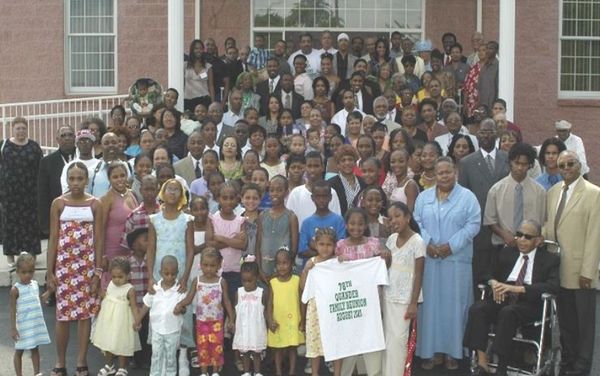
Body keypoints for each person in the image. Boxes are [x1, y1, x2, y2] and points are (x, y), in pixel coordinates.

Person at [464, 220, 560, 376]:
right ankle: (482, 363)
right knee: (478, 308)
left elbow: (551, 287)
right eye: (519, 235)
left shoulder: (549, 259)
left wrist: (517, 288)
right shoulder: (506, 252)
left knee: (508, 312)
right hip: (504, 296)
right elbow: (485, 273)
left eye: (527, 237)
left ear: (538, 240)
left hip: (530, 301)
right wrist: (493, 283)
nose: (521, 239)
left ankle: (502, 367)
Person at [414, 157, 481, 370]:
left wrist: (450, 246)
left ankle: (453, 352)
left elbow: (473, 225)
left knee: (455, 307)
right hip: (430, 261)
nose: (444, 176)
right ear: (434, 174)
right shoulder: (423, 197)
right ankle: (431, 351)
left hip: (455, 261)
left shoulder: (468, 198)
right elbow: (417, 222)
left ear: (455, 173)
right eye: (440, 172)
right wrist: (429, 244)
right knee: (430, 307)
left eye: (448, 172)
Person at [543, 151, 600, 376]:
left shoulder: (594, 193)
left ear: (579, 166)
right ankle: (568, 363)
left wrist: (588, 271)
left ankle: (582, 367)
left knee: (584, 325)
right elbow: (550, 227)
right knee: (565, 323)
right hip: (558, 270)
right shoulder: (554, 191)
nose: (566, 168)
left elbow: (595, 235)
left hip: (581, 272)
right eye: (561, 165)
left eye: (570, 164)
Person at [46, 162, 103, 376]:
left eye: (80, 179)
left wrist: (97, 272)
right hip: (64, 268)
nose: (76, 183)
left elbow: (98, 240)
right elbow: (54, 238)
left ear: (86, 180)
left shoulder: (95, 204)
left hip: (86, 269)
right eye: (72, 179)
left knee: (84, 316)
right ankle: (60, 362)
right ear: (67, 180)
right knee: (63, 315)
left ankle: (81, 360)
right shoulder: (58, 204)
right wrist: (50, 271)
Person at [459, 118, 510, 292]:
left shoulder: (508, 159)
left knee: (503, 277)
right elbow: (463, 198)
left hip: (504, 229)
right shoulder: (466, 162)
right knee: (479, 278)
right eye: (482, 132)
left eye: (490, 131)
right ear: (477, 135)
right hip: (478, 230)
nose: (486, 135)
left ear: (497, 134)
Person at [337, 208, 389, 376]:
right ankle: (348, 371)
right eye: (352, 223)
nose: (356, 227)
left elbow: (384, 265)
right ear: (346, 225)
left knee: (371, 333)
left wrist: (385, 256)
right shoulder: (341, 246)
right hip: (351, 302)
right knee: (350, 335)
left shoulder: (374, 243)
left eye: (360, 224)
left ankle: (373, 371)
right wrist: (339, 261)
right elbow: (335, 272)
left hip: (371, 301)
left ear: (366, 225)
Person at [174, 249, 235, 376]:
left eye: (212, 265)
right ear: (200, 265)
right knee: (203, 347)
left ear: (219, 265)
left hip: (217, 321)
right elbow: (189, 298)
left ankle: (215, 372)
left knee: (217, 347)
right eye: (205, 265)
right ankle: (203, 372)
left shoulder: (221, 282)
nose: (208, 269)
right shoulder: (197, 281)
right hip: (201, 321)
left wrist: (231, 319)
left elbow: (227, 301)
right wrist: (180, 304)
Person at [383, 202, 425, 376]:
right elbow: (387, 266)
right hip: (388, 295)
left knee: (399, 341)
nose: (394, 221)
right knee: (388, 340)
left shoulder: (418, 241)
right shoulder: (391, 239)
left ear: (408, 217)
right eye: (390, 218)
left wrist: (413, 303)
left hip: (406, 299)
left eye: (397, 216)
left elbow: (419, 274)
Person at [484, 143, 546, 255]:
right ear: (510, 162)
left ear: (530, 165)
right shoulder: (496, 190)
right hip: (504, 246)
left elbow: (544, 220)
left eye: (524, 164)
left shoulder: (540, 191)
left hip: (532, 248)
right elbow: (490, 221)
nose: (520, 168)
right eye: (517, 163)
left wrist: (537, 238)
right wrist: (504, 235)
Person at [300, 227, 343, 376]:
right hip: (315, 309)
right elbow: (302, 287)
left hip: (333, 308)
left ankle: (337, 373)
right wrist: (306, 270)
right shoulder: (312, 262)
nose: (325, 248)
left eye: (329, 245)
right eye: (322, 244)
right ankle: (315, 373)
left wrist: (344, 264)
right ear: (316, 245)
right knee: (314, 342)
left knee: (336, 341)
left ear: (335, 246)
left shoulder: (338, 262)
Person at [0, 117, 43, 264]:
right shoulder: (4, 145)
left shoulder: (34, 147)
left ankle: (32, 254)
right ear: (12, 129)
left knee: (30, 222)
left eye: (23, 128)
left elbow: (40, 168)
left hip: (29, 192)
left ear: (27, 129)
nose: (21, 131)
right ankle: (11, 255)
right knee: (10, 222)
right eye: (18, 128)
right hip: (9, 193)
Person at [137, 256, 187, 376]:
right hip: (156, 329)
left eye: (173, 274)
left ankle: (171, 373)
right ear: (160, 272)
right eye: (166, 273)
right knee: (156, 355)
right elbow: (146, 305)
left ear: (177, 273)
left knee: (170, 357)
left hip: (172, 330)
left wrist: (180, 308)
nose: (170, 277)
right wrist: (137, 320)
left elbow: (184, 308)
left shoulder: (180, 290)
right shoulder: (154, 289)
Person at [92, 257, 141, 376]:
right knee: (107, 343)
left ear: (128, 275)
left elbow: (134, 307)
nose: (116, 280)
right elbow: (106, 296)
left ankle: (122, 367)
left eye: (120, 277)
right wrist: (97, 289)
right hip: (108, 320)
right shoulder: (110, 284)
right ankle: (109, 365)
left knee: (121, 344)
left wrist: (137, 320)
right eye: (114, 277)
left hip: (122, 322)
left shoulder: (130, 289)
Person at [10, 252, 51, 376]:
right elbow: (12, 310)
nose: (27, 275)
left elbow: (38, 300)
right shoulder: (15, 290)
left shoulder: (34, 285)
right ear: (17, 272)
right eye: (24, 272)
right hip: (22, 326)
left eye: (30, 271)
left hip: (34, 324)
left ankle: (37, 373)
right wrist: (13, 328)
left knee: (35, 348)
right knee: (19, 351)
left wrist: (49, 292)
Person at [266, 248, 304, 375]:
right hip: (278, 321)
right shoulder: (273, 282)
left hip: (293, 320)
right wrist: (270, 320)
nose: (281, 266)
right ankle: (278, 372)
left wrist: (302, 320)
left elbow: (301, 302)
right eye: (278, 263)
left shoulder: (297, 280)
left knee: (292, 347)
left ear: (291, 263)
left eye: (285, 263)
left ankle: (292, 371)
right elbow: (269, 304)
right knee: (278, 348)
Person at [100, 162, 139, 288]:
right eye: (115, 177)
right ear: (109, 179)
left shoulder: (132, 195)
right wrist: (102, 256)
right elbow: (100, 230)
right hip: (112, 252)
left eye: (122, 175)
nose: (120, 180)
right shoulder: (106, 199)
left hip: (131, 251)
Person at [206, 182, 247, 297]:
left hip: (235, 271)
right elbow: (210, 245)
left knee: (233, 304)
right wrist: (233, 239)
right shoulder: (213, 219)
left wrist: (221, 238)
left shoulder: (240, 221)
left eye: (231, 198)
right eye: (224, 198)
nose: (228, 201)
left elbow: (243, 245)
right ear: (218, 199)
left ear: (237, 199)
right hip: (215, 272)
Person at [232, 256, 268, 376]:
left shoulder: (261, 293)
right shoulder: (239, 293)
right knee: (245, 353)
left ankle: (257, 372)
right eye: (244, 281)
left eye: (250, 281)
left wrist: (270, 322)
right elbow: (234, 311)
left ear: (256, 278)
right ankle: (247, 372)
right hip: (243, 329)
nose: (246, 284)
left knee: (256, 353)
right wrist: (231, 321)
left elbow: (265, 311)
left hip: (256, 329)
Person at [298, 179, 346, 268]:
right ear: (312, 198)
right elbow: (302, 251)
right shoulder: (306, 223)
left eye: (324, 196)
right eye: (318, 196)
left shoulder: (338, 220)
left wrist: (313, 246)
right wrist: (327, 252)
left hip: (334, 268)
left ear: (330, 197)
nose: (321, 200)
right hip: (312, 269)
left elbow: (341, 247)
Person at [38, 125, 76, 237]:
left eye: (70, 135)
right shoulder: (47, 162)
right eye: (63, 135)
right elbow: (43, 193)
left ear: (75, 137)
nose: (67, 138)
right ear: (57, 140)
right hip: (58, 215)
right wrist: (45, 223)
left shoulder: (82, 158)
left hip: (82, 213)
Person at [257, 176, 298, 277]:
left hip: (284, 272)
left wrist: (284, 268)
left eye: (279, 190)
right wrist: (259, 269)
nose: (275, 193)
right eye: (272, 190)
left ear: (286, 192)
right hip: (264, 269)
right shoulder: (262, 215)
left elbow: (294, 248)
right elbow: (258, 244)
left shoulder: (291, 217)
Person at [287, 152, 342, 227]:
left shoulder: (331, 192)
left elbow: (337, 222)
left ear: (322, 167)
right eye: (309, 166)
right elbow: (289, 221)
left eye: (316, 166)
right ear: (304, 167)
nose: (312, 170)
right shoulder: (296, 193)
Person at [125, 226, 151, 369]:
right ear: (134, 245)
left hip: (147, 306)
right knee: (133, 331)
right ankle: (133, 357)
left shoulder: (151, 260)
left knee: (146, 331)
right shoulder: (128, 263)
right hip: (133, 306)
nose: (149, 243)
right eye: (145, 240)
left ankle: (146, 358)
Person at [60, 129, 99, 193]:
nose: (84, 143)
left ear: (92, 143)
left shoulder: (101, 164)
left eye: (87, 140)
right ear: (77, 144)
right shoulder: (69, 166)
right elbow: (65, 192)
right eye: (81, 141)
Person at [184, 39, 215, 112]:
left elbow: (211, 86)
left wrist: (213, 103)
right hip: (188, 100)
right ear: (192, 50)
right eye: (196, 48)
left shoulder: (208, 67)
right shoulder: (185, 66)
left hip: (204, 99)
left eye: (201, 48)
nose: (199, 50)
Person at [478, 41, 499, 110]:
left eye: (490, 48)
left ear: (496, 50)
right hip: (482, 104)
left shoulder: (498, 66)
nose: (487, 51)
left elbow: (497, 87)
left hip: (493, 105)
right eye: (487, 48)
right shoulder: (484, 66)